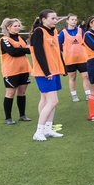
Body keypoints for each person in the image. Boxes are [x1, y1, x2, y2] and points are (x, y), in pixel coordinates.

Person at [28, 10, 66, 141]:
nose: (55, 20)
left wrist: (63, 66)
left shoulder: (54, 31)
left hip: (54, 71)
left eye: (56, 18)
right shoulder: (38, 32)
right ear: (43, 19)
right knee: (53, 101)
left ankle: (48, 129)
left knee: (45, 100)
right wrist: (46, 72)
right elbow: (38, 54)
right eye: (53, 18)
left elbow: (56, 51)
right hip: (44, 72)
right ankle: (38, 132)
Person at [0, 17, 32, 125]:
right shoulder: (4, 39)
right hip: (11, 71)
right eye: (15, 26)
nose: (17, 28)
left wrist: (26, 50)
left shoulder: (21, 38)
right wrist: (25, 50)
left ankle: (22, 115)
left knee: (22, 93)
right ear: (8, 27)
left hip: (24, 69)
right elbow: (13, 52)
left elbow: (30, 50)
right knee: (10, 93)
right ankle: (8, 118)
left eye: (18, 26)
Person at [57, 14, 90, 104]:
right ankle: (74, 95)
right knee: (72, 77)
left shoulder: (80, 31)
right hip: (70, 60)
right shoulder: (63, 33)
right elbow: (58, 46)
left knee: (86, 76)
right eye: (72, 19)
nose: (74, 21)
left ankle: (88, 94)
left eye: (75, 19)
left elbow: (86, 42)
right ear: (67, 21)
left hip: (82, 59)